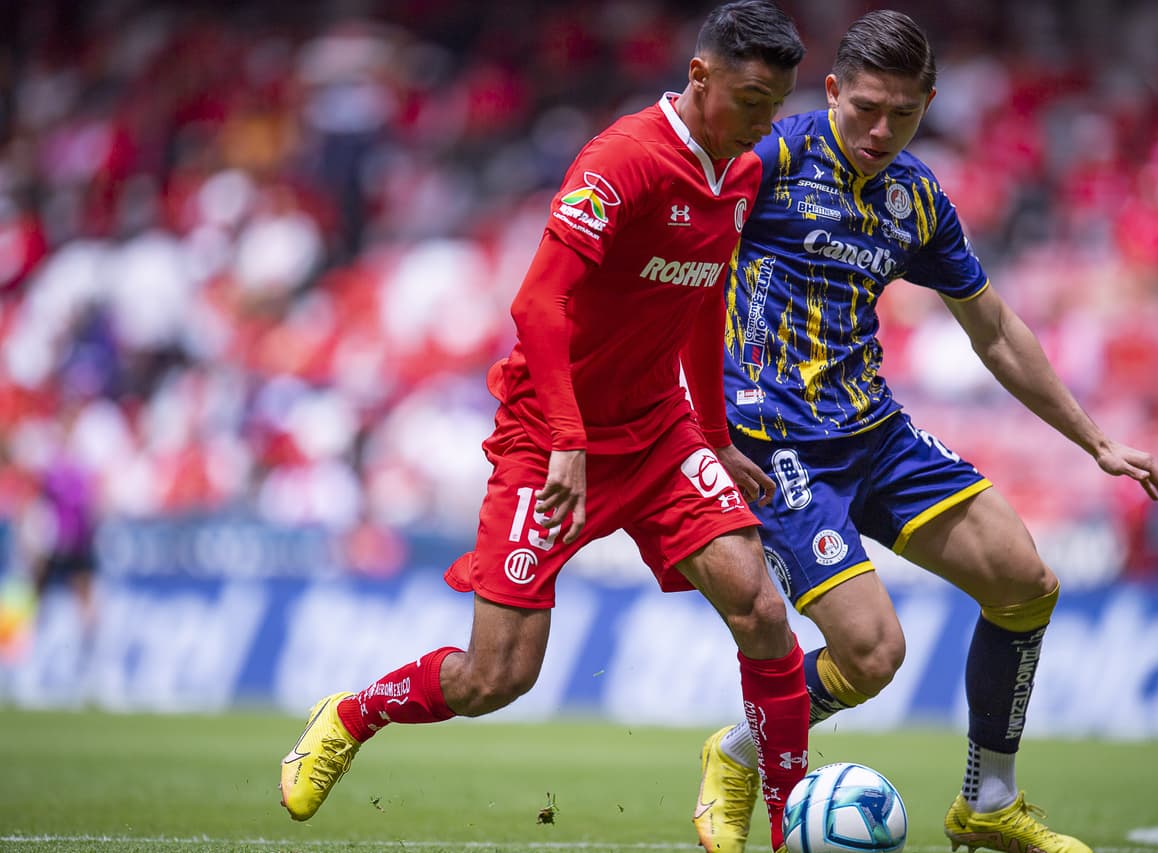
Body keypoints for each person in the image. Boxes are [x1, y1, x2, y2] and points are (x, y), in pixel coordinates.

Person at [279, 4, 811, 850]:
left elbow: (705, 298)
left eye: (775, 106)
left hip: (660, 432)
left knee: (760, 606)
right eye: (752, 100)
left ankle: (788, 819)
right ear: (700, 76)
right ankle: (351, 714)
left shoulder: (739, 175)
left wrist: (712, 432)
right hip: (549, 436)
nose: (763, 123)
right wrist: (567, 438)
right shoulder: (624, 160)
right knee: (498, 675)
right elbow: (536, 301)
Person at [692, 10, 1158, 853]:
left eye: (905, 114)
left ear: (929, 103)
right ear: (835, 91)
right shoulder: (770, 158)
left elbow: (991, 328)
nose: (883, 131)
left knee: (1026, 581)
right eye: (866, 109)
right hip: (776, 444)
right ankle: (737, 752)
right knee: (873, 654)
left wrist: (1095, 441)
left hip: (875, 431)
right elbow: (685, 266)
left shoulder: (915, 195)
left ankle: (988, 801)